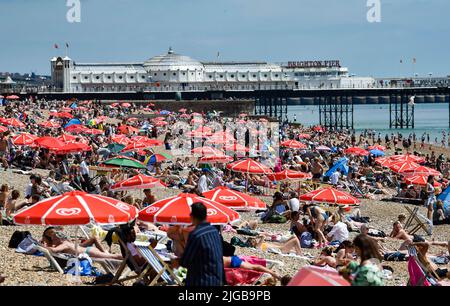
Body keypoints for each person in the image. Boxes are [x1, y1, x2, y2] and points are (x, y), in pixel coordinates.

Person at [180, 202, 224, 286]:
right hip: (216, 280)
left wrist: (176, 261)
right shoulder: (214, 231)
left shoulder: (196, 234)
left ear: (192, 217)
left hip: (200, 281)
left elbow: (185, 261)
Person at [41, 227, 122, 260]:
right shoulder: (65, 242)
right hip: (88, 250)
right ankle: (126, 257)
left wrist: (44, 247)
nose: (53, 241)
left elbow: (54, 250)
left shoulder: (64, 244)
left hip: (88, 252)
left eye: (54, 239)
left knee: (112, 256)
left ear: (59, 239)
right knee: (110, 256)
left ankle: (127, 257)